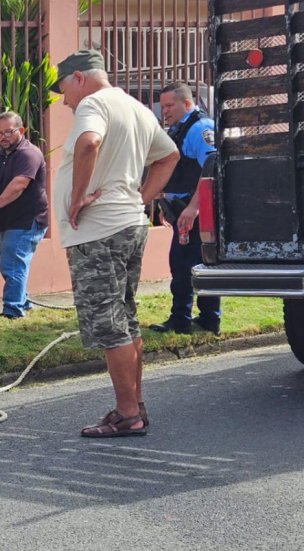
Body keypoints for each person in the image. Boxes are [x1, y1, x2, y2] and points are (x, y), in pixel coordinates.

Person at [50, 50, 179, 438]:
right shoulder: (135, 107)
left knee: (108, 323)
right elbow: (168, 155)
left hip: (99, 231)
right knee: (125, 316)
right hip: (127, 224)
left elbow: (89, 144)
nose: (65, 101)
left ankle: (128, 413)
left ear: (78, 79)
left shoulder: (93, 103)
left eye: (63, 91)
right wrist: (141, 198)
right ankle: (133, 405)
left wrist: (76, 197)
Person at [149, 82, 221, 335]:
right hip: (182, 209)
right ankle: (205, 320)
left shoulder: (200, 127)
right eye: (163, 106)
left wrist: (193, 209)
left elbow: (212, 168)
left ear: (187, 103)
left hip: (197, 213)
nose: (164, 111)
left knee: (185, 265)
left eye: (170, 105)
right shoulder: (179, 129)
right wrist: (165, 203)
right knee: (192, 264)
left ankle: (185, 320)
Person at [0, 111, 49, 319]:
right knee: (3, 262)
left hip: (28, 219)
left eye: (8, 132)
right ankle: (22, 300)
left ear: (20, 131)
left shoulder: (29, 154)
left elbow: (19, 185)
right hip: (6, 220)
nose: (3, 137)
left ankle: (13, 310)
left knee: (13, 263)